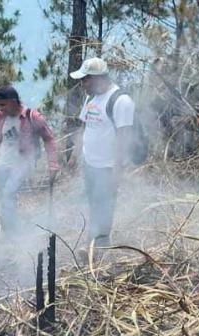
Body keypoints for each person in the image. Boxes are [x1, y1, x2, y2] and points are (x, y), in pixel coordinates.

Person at [68, 57, 135, 248]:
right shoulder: (91, 98)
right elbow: (83, 128)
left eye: (85, 80)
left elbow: (124, 138)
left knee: (104, 208)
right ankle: (94, 246)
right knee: (94, 206)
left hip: (107, 168)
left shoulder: (121, 101)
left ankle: (99, 252)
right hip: (90, 165)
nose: (82, 84)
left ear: (97, 78)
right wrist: (74, 156)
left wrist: (117, 172)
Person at [0, 85, 59, 233]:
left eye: (3, 105)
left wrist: (52, 164)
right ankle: (10, 227)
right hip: (3, 160)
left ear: (14, 101)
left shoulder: (32, 117)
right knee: (4, 196)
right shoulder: (1, 116)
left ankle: (12, 234)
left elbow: (49, 139)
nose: (0, 109)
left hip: (24, 162)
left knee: (8, 193)